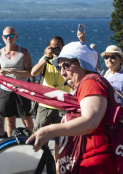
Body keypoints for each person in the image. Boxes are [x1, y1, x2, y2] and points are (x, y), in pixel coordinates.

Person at [27, 41, 118, 174]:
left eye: (66, 66)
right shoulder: (91, 82)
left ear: (83, 64)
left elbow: (91, 121)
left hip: (98, 163)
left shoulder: (90, 82)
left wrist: (47, 131)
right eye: (59, 68)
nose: (62, 73)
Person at [30, 36, 71, 164]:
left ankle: (58, 166)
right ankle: (41, 164)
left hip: (62, 104)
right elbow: (33, 73)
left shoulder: (67, 60)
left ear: (63, 47)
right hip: (45, 103)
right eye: (52, 47)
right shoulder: (45, 59)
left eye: (57, 47)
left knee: (61, 140)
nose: (55, 50)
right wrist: (46, 58)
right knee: (40, 136)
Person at [0, 26, 34, 137]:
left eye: (11, 35)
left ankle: (32, 141)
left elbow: (31, 72)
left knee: (26, 119)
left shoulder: (23, 52)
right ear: (2, 38)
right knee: (9, 120)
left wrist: (17, 73)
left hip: (21, 89)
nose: (8, 38)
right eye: (6, 36)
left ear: (16, 36)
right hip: (6, 90)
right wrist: (0, 74)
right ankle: (10, 144)